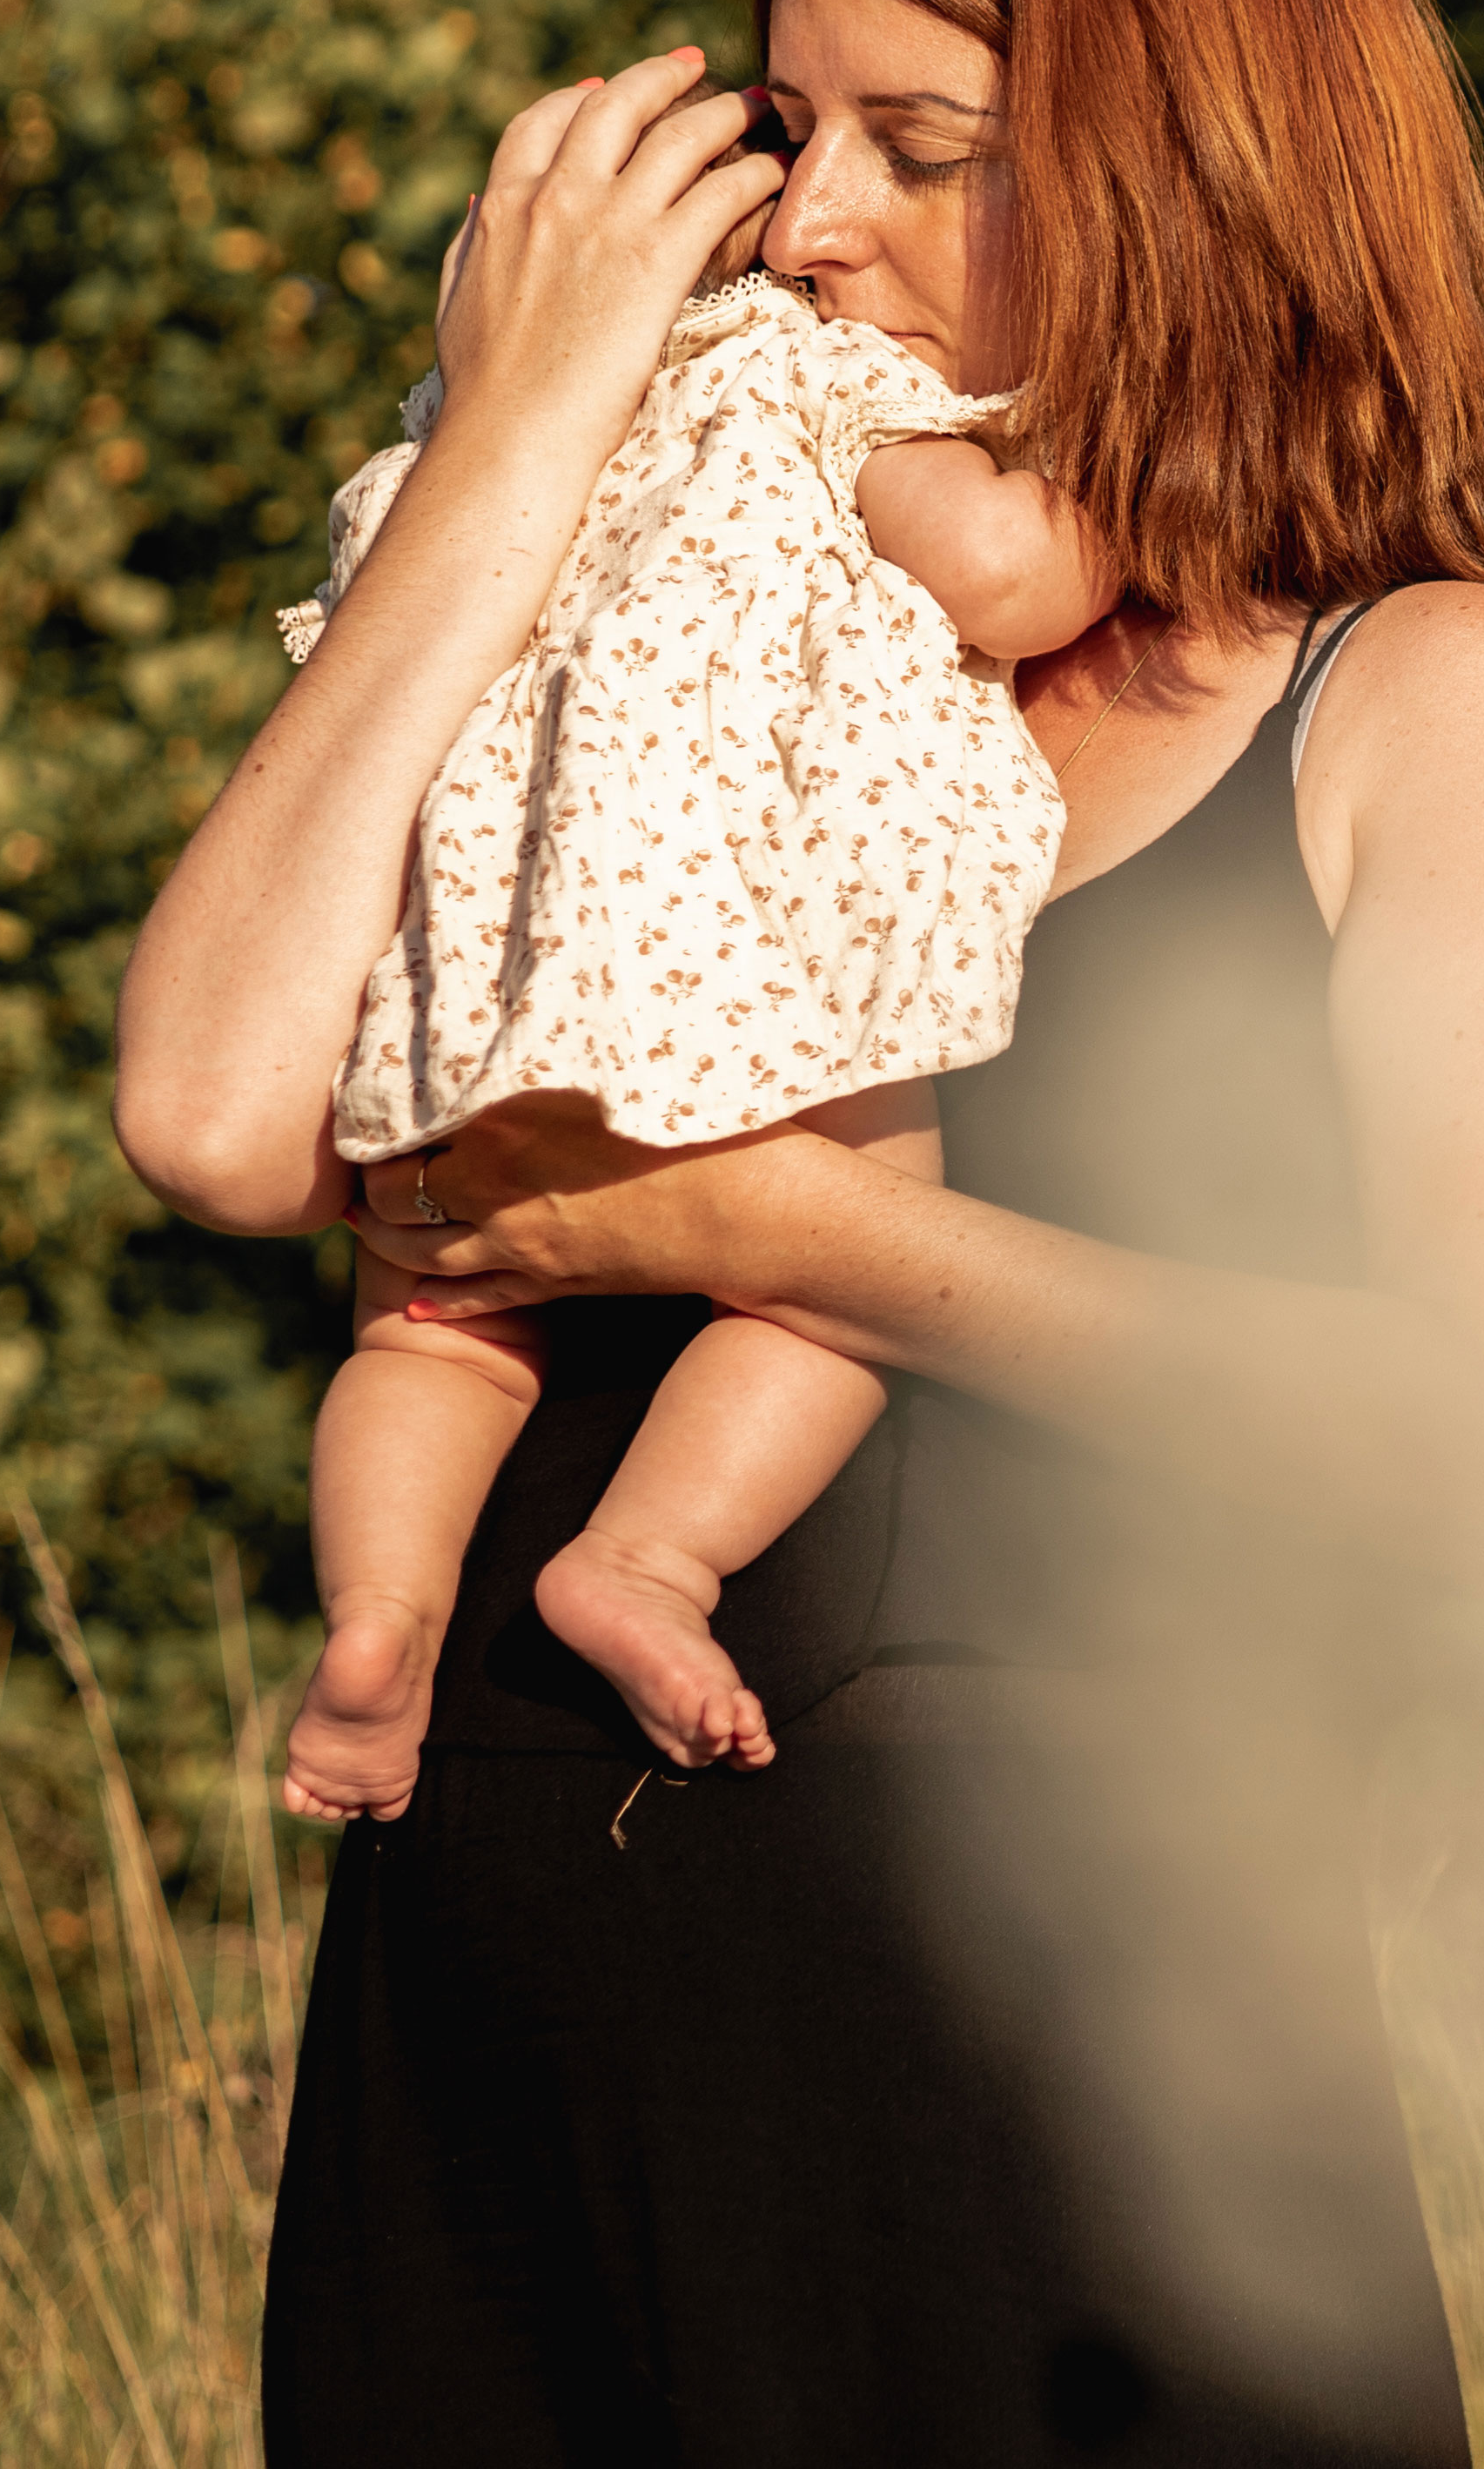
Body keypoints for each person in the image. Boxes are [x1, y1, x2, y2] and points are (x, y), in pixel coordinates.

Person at [111, 0, 1484, 2468]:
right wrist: (516, 442)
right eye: (781, 132)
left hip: (1069, 2128)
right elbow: (220, 1115)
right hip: (498, 2052)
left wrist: (779, 1231)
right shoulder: (655, 672)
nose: (810, 226)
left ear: (1196, 152)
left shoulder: (1418, 705)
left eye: (917, 142)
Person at [275, 263, 1104, 1823]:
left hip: (473, 936)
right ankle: (647, 1556)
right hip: (718, 935)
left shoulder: (480, 434)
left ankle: (381, 1613)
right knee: (853, 1267)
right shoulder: (813, 370)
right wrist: (1131, 484)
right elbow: (1006, 572)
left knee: (427, 1328)